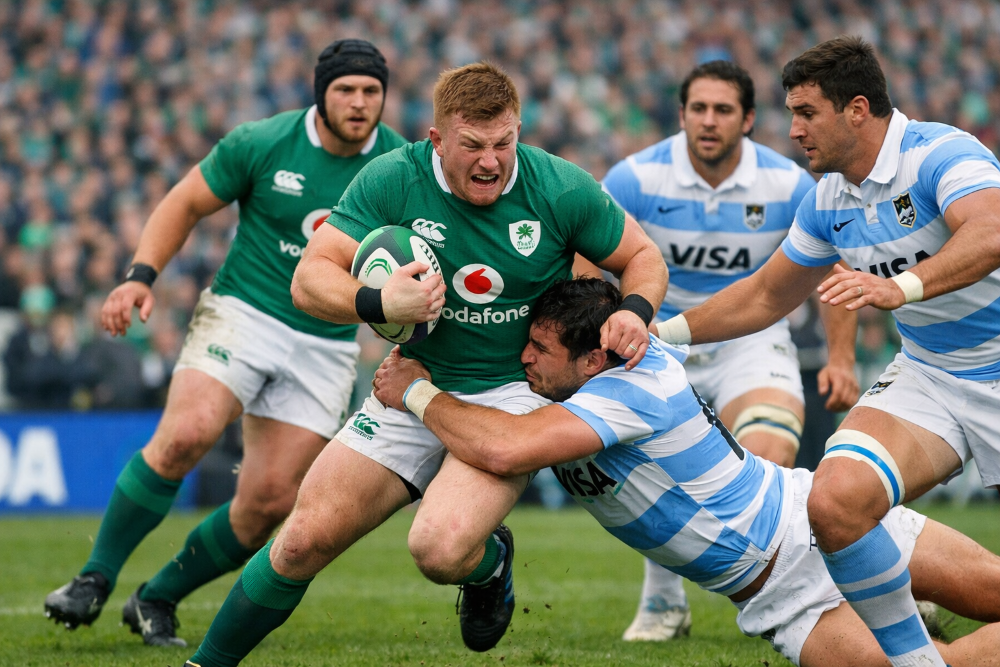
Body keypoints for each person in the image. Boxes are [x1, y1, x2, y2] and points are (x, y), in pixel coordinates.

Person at [181, 61, 667, 667]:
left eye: (503, 144)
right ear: (437, 139)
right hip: (412, 383)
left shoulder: (559, 187)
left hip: (515, 392)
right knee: (301, 541)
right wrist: (378, 302)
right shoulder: (393, 178)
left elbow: (643, 256)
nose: (490, 162)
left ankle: (488, 564)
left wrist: (636, 310)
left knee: (438, 550)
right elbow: (309, 279)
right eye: (472, 146)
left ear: (518, 131)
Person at [372, 277, 1000, 667]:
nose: (524, 358)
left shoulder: (631, 389)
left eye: (539, 349)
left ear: (593, 362)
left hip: (810, 522)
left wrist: (417, 393)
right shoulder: (584, 378)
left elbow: (505, 451)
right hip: (779, 600)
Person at [44, 39, 408, 647]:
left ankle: (156, 596)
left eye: (371, 91)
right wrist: (140, 276)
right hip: (245, 311)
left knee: (268, 503)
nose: (359, 101)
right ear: (320, 94)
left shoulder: (399, 164)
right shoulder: (262, 142)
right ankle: (94, 577)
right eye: (345, 89)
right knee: (186, 434)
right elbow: (186, 201)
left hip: (327, 341)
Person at [651, 36, 1000, 667]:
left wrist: (900, 287)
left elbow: (993, 228)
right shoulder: (828, 197)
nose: (794, 130)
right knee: (835, 500)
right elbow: (766, 295)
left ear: (857, 110)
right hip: (931, 373)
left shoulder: (939, 153)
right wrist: (659, 334)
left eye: (807, 113)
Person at [601, 60, 859, 641]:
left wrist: (841, 359)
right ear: (682, 115)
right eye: (698, 109)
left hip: (750, 337)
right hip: (656, 339)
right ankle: (663, 602)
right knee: (656, 469)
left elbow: (833, 269)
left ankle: (792, 594)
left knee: (767, 455)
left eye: (723, 110)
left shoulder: (788, 185)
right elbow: (588, 261)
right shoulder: (634, 179)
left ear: (747, 119)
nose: (709, 121)